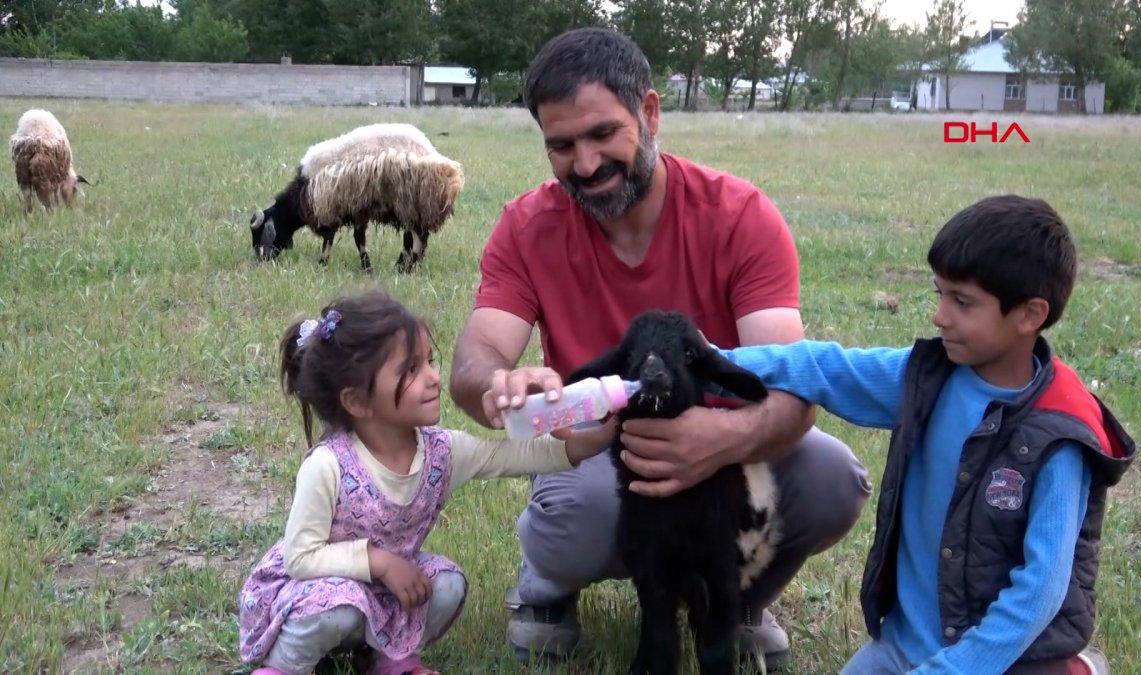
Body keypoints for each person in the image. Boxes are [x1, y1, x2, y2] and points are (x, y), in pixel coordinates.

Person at [449, 28, 871, 667]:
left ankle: (732, 601)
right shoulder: (526, 226)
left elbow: (793, 388)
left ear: (649, 113)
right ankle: (547, 590)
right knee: (577, 519)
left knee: (833, 478)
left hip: (729, 445)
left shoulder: (740, 215)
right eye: (561, 145)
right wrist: (498, 383)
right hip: (603, 445)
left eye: (601, 134)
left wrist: (718, 440)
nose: (585, 164)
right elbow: (475, 356)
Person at [721, 196, 1135, 674]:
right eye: (939, 293)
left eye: (962, 302)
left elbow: (1039, 592)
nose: (940, 315)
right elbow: (821, 367)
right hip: (901, 651)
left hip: (1004, 662)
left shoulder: (1059, 435)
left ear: (1029, 315)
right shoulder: (926, 379)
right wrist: (706, 360)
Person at [239, 292, 614, 675]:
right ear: (357, 401)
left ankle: (390, 660)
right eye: (411, 370)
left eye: (430, 362)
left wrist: (591, 439)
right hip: (315, 591)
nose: (434, 377)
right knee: (340, 608)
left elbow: (519, 456)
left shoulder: (441, 452)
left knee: (446, 584)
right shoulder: (328, 465)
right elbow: (300, 558)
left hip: (383, 588)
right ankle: (285, 666)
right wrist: (380, 562)